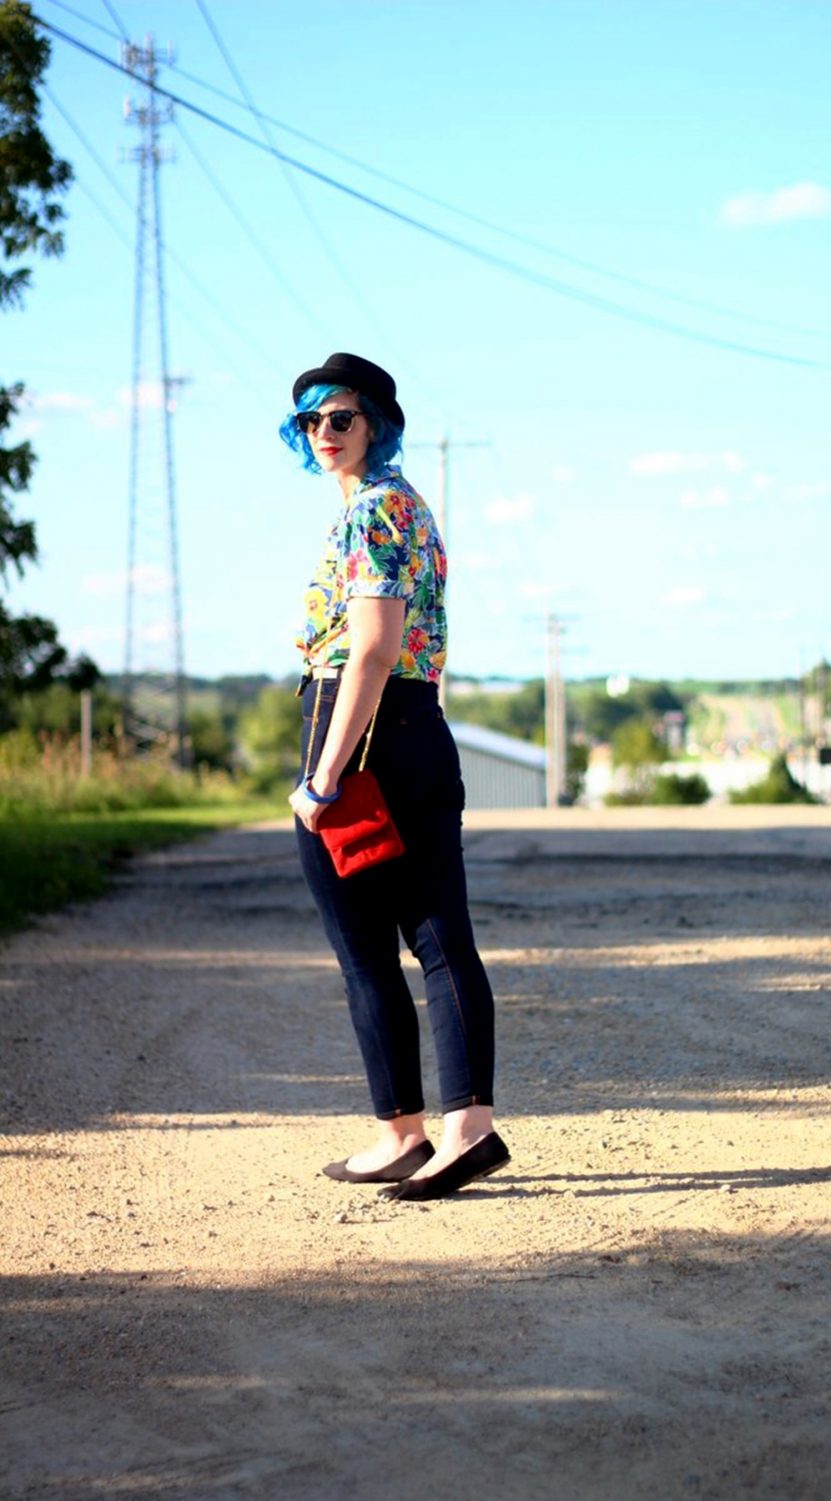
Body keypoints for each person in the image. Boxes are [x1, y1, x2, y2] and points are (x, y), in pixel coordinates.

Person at [281, 352, 509, 1202]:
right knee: (440, 938)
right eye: (311, 421)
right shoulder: (410, 510)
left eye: (341, 417)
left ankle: (405, 1132)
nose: (325, 434)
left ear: (376, 421)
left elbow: (372, 648)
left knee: (367, 948)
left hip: (362, 729)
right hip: (418, 727)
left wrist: (324, 776)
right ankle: (458, 1132)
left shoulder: (374, 512)